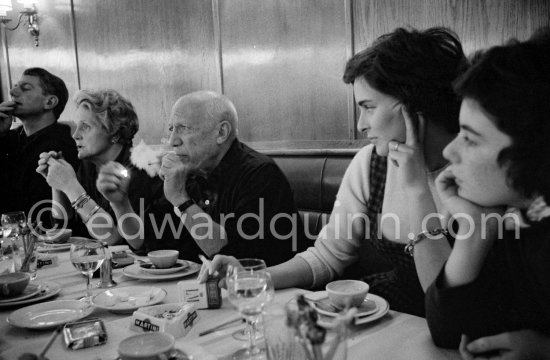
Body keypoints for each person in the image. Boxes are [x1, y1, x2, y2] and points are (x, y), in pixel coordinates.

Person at [199, 27, 468, 316]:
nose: (360, 125)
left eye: (368, 107)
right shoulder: (371, 163)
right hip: (387, 318)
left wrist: (417, 190)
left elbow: (452, 305)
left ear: (415, 106)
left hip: (451, 327)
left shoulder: (477, 176)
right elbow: (327, 256)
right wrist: (251, 278)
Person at [425, 32, 550, 358]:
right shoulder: (513, 219)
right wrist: (474, 232)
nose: (450, 151)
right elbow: (449, 334)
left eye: (470, 138)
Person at [158, 90, 307, 266]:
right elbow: (160, 247)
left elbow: (229, 257)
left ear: (221, 132)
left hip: (274, 289)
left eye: (183, 128)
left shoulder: (260, 174)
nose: (172, 140)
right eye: (171, 129)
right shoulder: (192, 172)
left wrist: (181, 200)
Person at [36, 89, 173, 250]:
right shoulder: (89, 167)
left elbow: (116, 241)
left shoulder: (140, 170)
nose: (75, 135)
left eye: (85, 127)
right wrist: (57, 183)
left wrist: (70, 186)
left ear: (113, 131)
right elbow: (63, 232)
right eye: (76, 126)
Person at [0, 68, 78, 224]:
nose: (12, 92)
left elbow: (21, 201)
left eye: (25, 88)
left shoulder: (60, 145)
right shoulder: (9, 137)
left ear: (49, 102)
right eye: (15, 86)